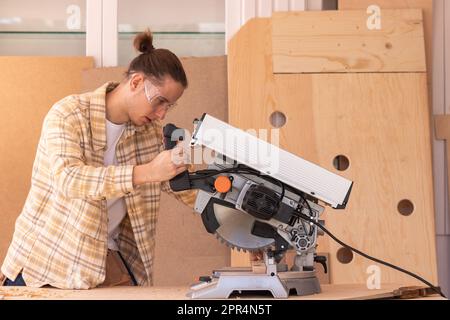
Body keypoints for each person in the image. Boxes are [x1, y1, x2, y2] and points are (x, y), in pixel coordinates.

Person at [0, 29, 197, 289]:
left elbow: (189, 189)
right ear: (136, 82)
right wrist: (147, 171)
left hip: (102, 260)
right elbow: (69, 179)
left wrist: (242, 226)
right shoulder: (68, 114)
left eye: (169, 106)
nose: (162, 114)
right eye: (159, 101)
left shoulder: (149, 134)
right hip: (45, 261)